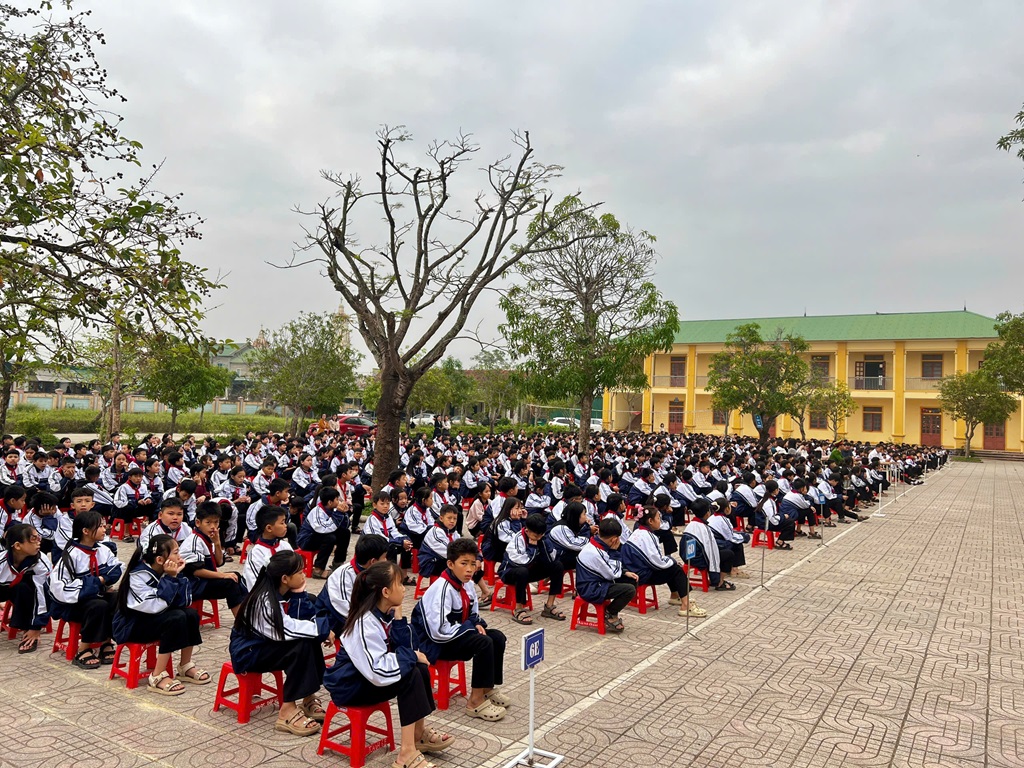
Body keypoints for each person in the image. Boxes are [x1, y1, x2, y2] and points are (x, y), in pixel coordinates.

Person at [325, 561, 455, 768]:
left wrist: (399, 616)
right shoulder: (364, 623)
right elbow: (377, 670)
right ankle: (406, 753)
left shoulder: (385, 614)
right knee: (411, 674)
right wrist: (410, 656)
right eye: (400, 584)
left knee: (419, 668)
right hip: (350, 685)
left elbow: (408, 646)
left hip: (368, 677)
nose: (404, 588)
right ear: (385, 592)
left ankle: (418, 734)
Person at [229, 550, 332, 736]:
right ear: (285, 578)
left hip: (266, 644)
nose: (304, 574)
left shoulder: (286, 591)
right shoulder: (264, 601)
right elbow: (285, 631)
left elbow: (304, 620)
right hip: (248, 651)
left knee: (307, 639)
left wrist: (301, 596)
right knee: (300, 644)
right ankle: (287, 710)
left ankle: (308, 698)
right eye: (300, 572)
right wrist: (323, 630)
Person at [412, 538, 509, 721]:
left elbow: (472, 613)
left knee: (497, 637)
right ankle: (475, 702)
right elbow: (438, 630)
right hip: (434, 644)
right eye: (463, 564)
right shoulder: (441, 589)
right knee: (483, 642)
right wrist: (470, 628)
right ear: (450, 564)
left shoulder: (467, 584)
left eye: (473, 564)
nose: (470, 569)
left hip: (454, 634)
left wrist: (476, 623)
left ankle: (487, 689)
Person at [112, 534, 208, 695]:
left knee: (190, 614)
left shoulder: (166, 571)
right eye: (176, 552)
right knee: (175, 618)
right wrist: (171, 578)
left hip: (152, 618)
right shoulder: (138, 576)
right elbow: (154, 607)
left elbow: (184, 601)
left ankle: (185, 666)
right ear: (160, 560)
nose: (180, 556)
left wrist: (177, 575)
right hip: (131, 625)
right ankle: (157, 676)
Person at [49, 510, 122, 669]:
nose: (105, 529)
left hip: (94, 596)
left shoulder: (102, 549)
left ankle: (106, 641)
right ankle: (83, 648)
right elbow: (61, 588)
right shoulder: (70, 555)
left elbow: (117, 568)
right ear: (86, 531)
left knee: (117, 598)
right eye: (100, 526)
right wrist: (99, 581)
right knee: (98, 605)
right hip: (72, 604)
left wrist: (93, 583)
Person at [623, 508, 705, 618]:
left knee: (671, 566)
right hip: (641, 575)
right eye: (658, 518)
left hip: (635, 570)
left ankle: (675, 595)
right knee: (675, 569)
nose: (660, 521)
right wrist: (672, 561)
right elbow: (657, 562)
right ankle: (686, 605)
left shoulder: (638, 532)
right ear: (650, 521)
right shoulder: (647, 536)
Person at [179, 501, 246, 618]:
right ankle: (241, 622)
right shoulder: (194, 541)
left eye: (216, 522)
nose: (213, 527)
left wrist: (218, 543)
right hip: (193, 584)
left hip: (203, 581)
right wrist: (223, 575)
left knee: (237, 577)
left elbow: (219, 562)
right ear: (198, 523)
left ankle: (246, 613)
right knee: (230, 583)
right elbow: (195, 571)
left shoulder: (210, 538)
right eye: (208, 522)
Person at [499, 513, 566, 625]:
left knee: (557, 566)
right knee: (522, 572)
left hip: (529, 571)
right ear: (527, 531)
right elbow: (523, 562)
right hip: (510, 572)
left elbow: (551, 558)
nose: (538, 538)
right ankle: (518, 609)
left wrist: (544, 544)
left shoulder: (541, 538)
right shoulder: (517, 540)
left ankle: (549, 606)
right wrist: (533, 547)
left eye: (541, 535)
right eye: (536, 536)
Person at [315, 533, 389, 635]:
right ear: (373, 561)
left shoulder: (373, 572)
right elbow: (346, 610)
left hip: (359, 615)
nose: (386, 561)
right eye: (384, 558)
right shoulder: (344, 575)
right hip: (334, 619)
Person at [575, 517, 637, 634]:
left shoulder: (598, 543)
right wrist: (615, 552)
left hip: (598, 580)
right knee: (629, 590)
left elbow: (611, 569)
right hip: (590, 588)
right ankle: (610, 613)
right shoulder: (595, 552)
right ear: (614, 539)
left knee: (631, 579)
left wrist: (624, 572)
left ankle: (612, 611)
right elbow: (612, 574)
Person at [0, 523, 52, 653]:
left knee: (26, 588)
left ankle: (28, 631)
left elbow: (43, 596)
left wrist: (36, 627)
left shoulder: (41, 562)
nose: (38, 542)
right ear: (17, 546)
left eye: (38, 538)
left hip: (25, 592)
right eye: (33, 539)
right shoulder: (2, 561)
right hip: (3, 588)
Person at [296, 486, 350, 579]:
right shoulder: (317, 512)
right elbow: (325, 529)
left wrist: (344, 513)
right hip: (306, 540)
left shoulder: (332, 509)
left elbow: (344, 525)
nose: (339, 501)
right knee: (330, 538)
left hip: (319, 536)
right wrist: (339, 514)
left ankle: (338, 562)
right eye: (337, 499)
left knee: (345, 532)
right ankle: (318, 569)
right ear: (330, 502)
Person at [683, 498, 735, 591]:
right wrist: (714, 576)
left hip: (688, 557)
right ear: (707, 513)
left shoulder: (690, 525)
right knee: (729, 554)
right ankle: (720, 582)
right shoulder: (704, 529)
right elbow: (711, 554)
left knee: (721, 550)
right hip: (700, 559)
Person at [241, 505, 294, 591]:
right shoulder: (256, 552)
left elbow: (295, 571)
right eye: (282, 523)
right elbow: (255, 585)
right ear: (269, 528)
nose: (286, 526)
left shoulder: (285, 546)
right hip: (263, 596)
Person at [417, 504, 459, 579]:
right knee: (457, 566)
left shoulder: (452, 531)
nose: (452, 521)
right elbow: (447, 552)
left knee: (466, 564)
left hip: (443, 558)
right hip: (429, 563)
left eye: (455, 519)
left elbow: (461, 545)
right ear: (441, 518)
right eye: (449, 518)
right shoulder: (436, 532)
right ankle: (449, 588)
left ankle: (482, 589)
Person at [753, 480, 793, 550]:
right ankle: (780, 541)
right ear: (775, 490)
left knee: (788, 519)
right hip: (765, 524)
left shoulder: (768, 499)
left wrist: (782, 516)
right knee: (790, 523)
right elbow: (773, 520)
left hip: (766, 521)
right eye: (778, 489)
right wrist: (783, 517)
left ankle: (781, 539)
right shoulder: (768, 502)